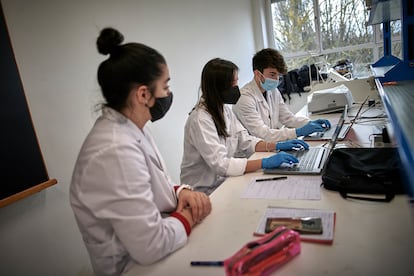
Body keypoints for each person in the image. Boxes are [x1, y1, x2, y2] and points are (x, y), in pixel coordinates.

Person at [70, 27, 211, 276]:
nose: (169, 94)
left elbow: (149, 184)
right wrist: (189, 215)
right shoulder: (113, 149)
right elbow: (152, 245)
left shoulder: (131, 128)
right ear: (144, 94)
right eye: (165, 86)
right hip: (134, 267)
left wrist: (180, 193)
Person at [180, 58, 307, 195]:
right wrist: (264, 162)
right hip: (204, 193)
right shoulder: (200, 119)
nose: (237, 88)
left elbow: (244, 139)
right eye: (233, 84)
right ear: (219, 87)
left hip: (225, 183)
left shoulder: (224, 110)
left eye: (236, 82)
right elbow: (221, 164)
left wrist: (276, 146)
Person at [232, 48, 331, 142]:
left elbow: (288, 118)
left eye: (278, 75)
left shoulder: (273, 91)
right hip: (251, 153)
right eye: (272, 74)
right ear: (257, 74)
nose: (276, 79)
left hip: (269, 145)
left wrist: (309, 123)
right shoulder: (244, 98)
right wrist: (297, 132)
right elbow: (261, 133)